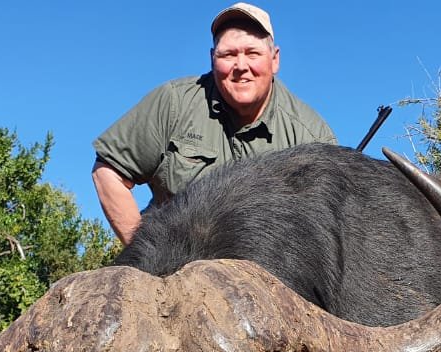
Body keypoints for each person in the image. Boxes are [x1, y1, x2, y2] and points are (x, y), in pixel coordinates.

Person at [92, 3, 337, 243]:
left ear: (275, 60)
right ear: (212, 58)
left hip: (270, 276)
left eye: (253, 53)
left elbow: (334, 221)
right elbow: (108, 172)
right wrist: (147, 258)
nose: (241, 66)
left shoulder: (310, 135)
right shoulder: (174, 102)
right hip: (176, 269)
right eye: (228, 54)